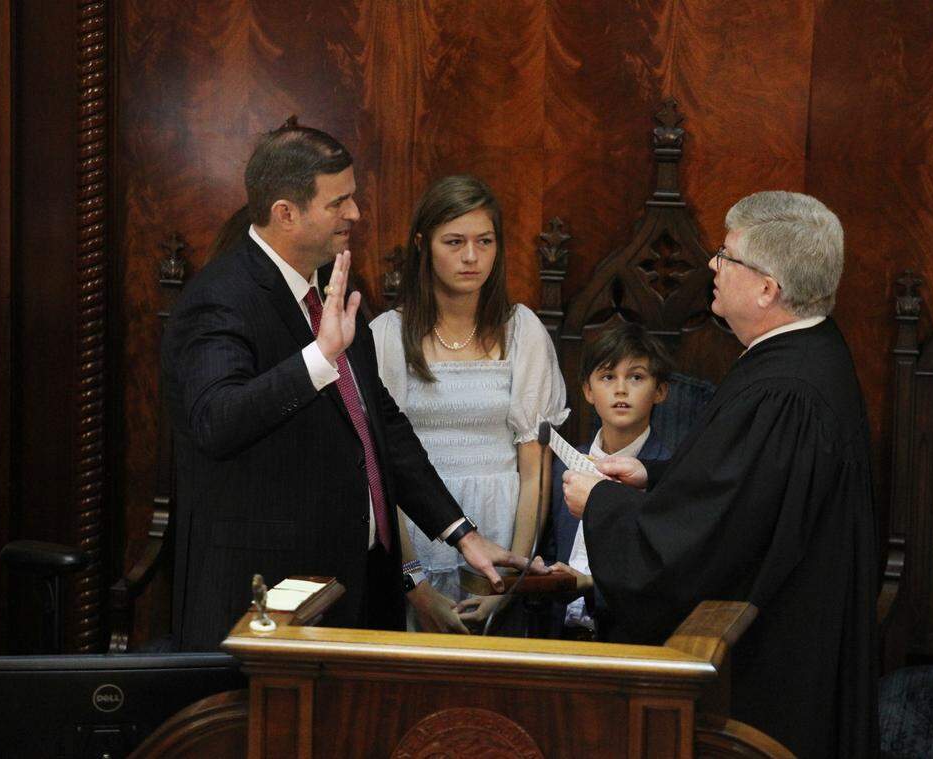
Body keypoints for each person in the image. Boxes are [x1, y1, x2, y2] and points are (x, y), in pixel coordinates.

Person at [162, 125, 535, 651]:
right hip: (266, 598)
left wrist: (460, 533)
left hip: (357, 587)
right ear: (287, 213)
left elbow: (379, 427)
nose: (355, 214)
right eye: (339, 202)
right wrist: (318, 359)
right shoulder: (221, 299)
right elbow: (217, 421)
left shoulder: (333, 286)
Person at [562, 191, 878, 758]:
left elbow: (708, 541)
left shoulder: (785, 389)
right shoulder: (806, 355)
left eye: (726, 256)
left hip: (766, 666)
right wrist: (651, 478)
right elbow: (744, 490)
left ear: (766, 288)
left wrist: (602, 504)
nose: (712, 265)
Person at [370, 175, 567, 633]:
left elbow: (535, 470)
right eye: (454, 242)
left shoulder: (523, 330)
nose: (472, 257)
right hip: (414, 536)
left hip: (500, 528)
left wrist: (511, 582)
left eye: (485, 241)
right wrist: (413, 584)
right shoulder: (387, 335)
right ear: (423, 244)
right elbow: (383, 468)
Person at [544, 322, 672, 639]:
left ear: (660, 391)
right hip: (560, 633)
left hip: (627, 636)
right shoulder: (565, 466)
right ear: (588, 391)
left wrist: (591, 587)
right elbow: (551, 548)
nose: (621, 390)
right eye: (607, 376)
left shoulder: (670, 473)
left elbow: (660, 577)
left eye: (636, 377)